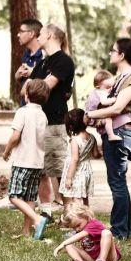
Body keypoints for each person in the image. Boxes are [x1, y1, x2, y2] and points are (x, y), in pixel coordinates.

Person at [85, 38, 131, 239]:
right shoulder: (122, 78)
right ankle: (123, 229)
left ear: (122, 55)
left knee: (117, 182)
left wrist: (90, 115)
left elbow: (118, 108)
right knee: (118, 181)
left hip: (119, 132)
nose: (110, 53)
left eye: (113, 50)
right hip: (120, 131)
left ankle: (119, 231)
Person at [28, 23, 75, 216]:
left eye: (40, 34)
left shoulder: (63, 61)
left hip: (55, 124)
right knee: (41, 170)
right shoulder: (42, 63)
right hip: (38, 122)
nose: (37, 37)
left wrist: (33, 85)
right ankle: (46, 211)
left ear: (49, 35)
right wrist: (32, 85)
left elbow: (43, 88)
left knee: (60, 170)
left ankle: (70, 213)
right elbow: (26, 90)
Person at [2, 79, 49, 240]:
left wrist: (6, 152)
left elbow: (15, 136)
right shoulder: (43, 115)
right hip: (37, 163)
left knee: (14, 196)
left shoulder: (22, 112)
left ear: (26, 94)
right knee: (30, 197)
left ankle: (38, 219)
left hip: (23, 161)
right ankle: (27, 232)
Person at [53, 204, 121, 261]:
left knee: (106, 233)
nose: (77, 229)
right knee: (69, 245)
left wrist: (63, 244)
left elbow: (80, 235)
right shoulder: (81, 228)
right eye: (73, 228)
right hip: (93, 260)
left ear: (86, 216)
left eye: (78, 225)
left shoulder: (94, 224)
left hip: (109, 257)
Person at [58, 109, 98, 207]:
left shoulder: (75, 140)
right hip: (87, 171)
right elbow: (96, 154)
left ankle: (78, 215)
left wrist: (69, 178)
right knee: (84, 196)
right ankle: (87, 214)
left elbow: (75, 159)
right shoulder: (92, 137)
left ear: (71, 126)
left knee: (76, 197)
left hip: (77, 172)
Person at [13, 18, 44, 106]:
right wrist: (17, 76)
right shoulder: (26, 54)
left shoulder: (44, 55)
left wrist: (34, 73)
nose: (18, 35)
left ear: (31, 34)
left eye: (21, 31)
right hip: (25, 106)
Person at [85, 70, 121, 141]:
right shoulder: (101, 92)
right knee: (108, 120)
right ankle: (111, 136)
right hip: (94, 117)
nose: (110, 89)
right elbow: (104, 102)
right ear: (98, 86)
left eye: (112, 87)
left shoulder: (96, 91)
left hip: (91, 116)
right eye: (107, 87)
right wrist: (115, 99)